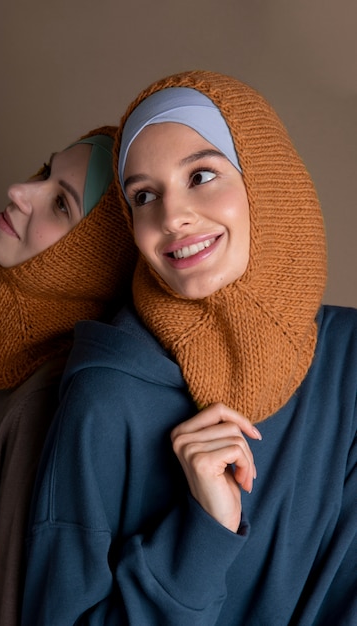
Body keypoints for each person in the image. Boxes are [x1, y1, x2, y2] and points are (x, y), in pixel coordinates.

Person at [22, 71, 357, 625]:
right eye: (144, 196)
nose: (170, 216)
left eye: (202, 174)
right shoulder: (105, 396)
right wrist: (202, 532)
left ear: (264, 182)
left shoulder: (347, 360)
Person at [0, 125, 136, 626]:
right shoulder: (9, 353)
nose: (20, 191)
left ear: (90, 262)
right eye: (45, 172)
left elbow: (3, 604)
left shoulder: (48, 398)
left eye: (61, 204)